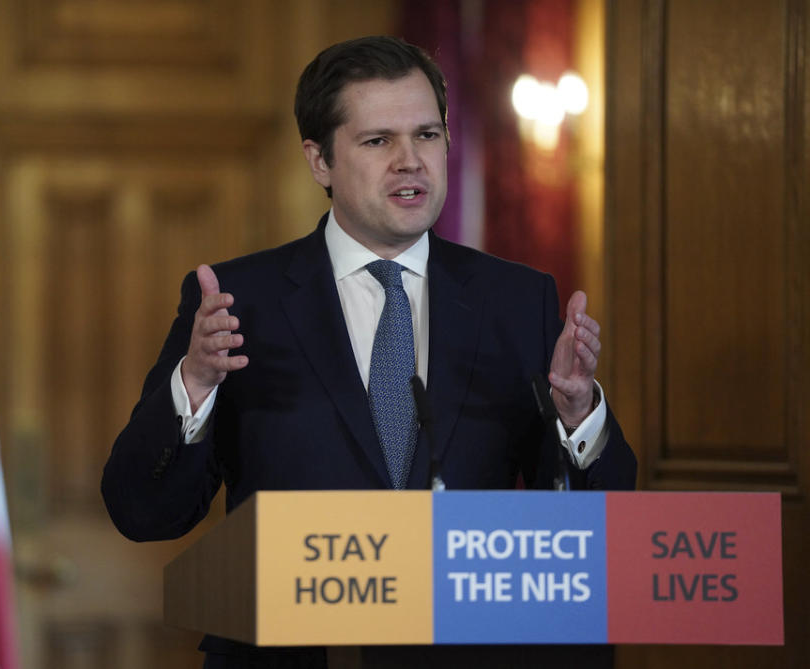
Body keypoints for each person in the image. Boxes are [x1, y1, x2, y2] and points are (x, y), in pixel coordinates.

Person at [102, 35, 636, 669]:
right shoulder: (236, 303)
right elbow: (143, 510)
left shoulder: (517, 299)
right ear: (320, 160)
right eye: (379, 140)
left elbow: (594, 532)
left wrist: (578, 420)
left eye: (428, 135)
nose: (410, 161)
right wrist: (193, 386)